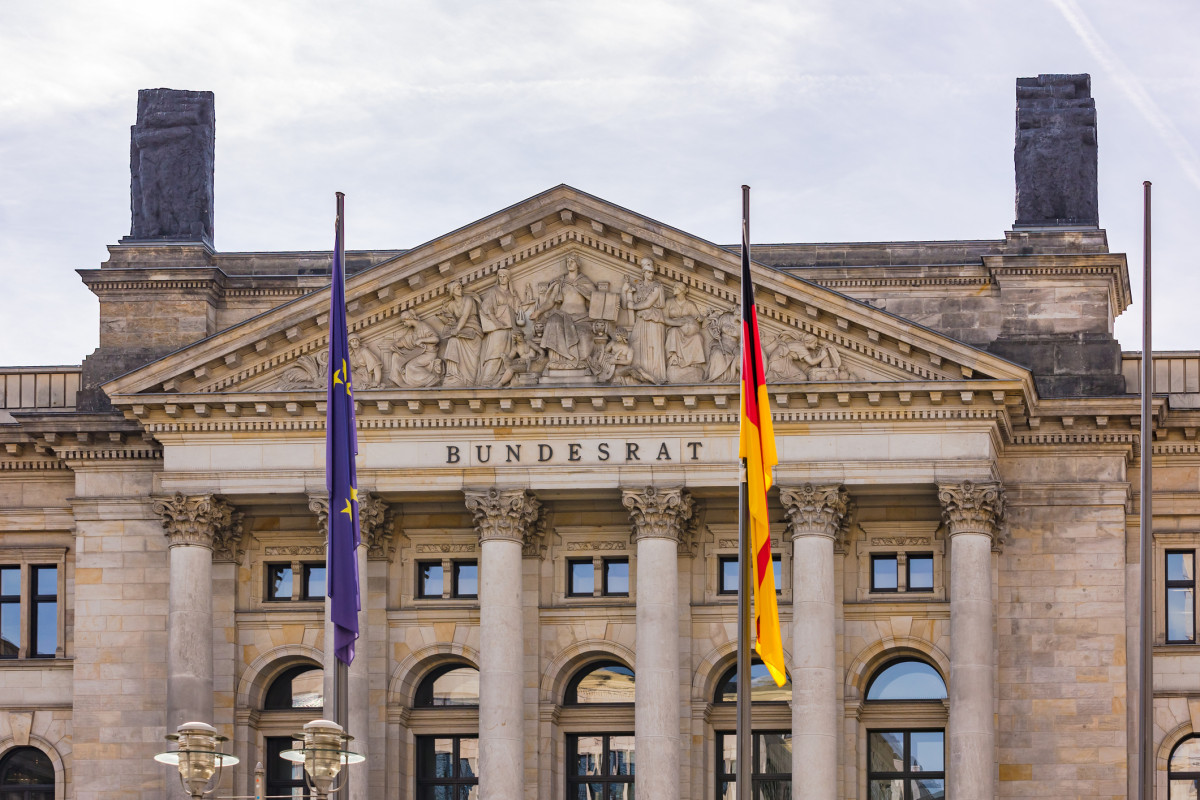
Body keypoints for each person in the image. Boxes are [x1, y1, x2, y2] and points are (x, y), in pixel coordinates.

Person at [531, 254, 595, 367]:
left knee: (583, 335)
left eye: (572, 261)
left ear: (578, 264)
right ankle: (556, 361)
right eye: (568, 261)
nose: (569, 263)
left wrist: (581, 289)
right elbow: (550, 301)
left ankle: (575, 360)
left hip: (581, 318)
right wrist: (538, 311)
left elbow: (596, 300)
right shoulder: (560, 282)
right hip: (563, 316)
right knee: (553, 321)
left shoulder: (585, 281)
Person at [623, 258, 668, 382]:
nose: (651, 274)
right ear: (643, 272)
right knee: (636, 343)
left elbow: (648, 303)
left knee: (653, 346)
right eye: (648, 272)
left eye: (652, 272)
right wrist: (626, 291)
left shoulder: (658, 286)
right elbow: (626, 304)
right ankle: (639, 375)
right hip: (641, 320)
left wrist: (634, 306)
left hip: (653, 320)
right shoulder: (639, 286)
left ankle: (657, 376)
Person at [478, 268, 522, 385]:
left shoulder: (512, 294)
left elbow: (518, 310)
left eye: (504, 276)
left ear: (508, 278)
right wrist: (496, 323)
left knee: (507, 355)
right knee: (495, 353)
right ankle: (487, 379)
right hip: (498, 328)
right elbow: (487, 308)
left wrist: (516, 298)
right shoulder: (493, 291)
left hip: (510, 329)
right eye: (500, 276)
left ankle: (502, 379)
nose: (502, 278)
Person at [438, 279, 482, 387]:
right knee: (453, 341)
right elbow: (450, 321)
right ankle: (453, 375)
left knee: (457, 340)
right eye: (457, 288)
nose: (460, 289)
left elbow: (465, 316)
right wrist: (442, 318)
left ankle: (469, 379)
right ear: (452, 291)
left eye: (460, 287)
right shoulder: (452, 305)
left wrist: (456, 330)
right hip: (461, 331)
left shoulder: (468, 299)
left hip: (473, 330)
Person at [663, 282, 707, 383]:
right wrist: (676, 323)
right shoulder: (669, 302)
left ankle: (694, 362)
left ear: (682, 291)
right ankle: (674, 359)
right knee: (674, 332)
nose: (673, 288)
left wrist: (700, 318)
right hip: (674, 328)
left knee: (698, 338)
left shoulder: (690, 304)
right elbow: (664, 318)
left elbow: (698, 317)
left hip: (688, 332)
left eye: (676, 287)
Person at [389, 310, 442, 387]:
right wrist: (394, 345)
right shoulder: (412, 330)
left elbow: (436, 339)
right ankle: (397, 380)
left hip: (428, 354)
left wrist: (421, 340)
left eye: (404, 321)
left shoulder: (423, 326)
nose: (404, 324)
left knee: (411, 366)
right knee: (396, 356)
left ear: (409, 319)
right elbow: (404, 341)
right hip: (418, 353)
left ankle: (431, 379)